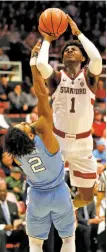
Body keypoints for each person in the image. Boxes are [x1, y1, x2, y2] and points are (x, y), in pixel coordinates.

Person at [3, 41, 75, 252]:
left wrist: (27, 129)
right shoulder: (47, 139)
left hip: (36, 197)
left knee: (35, 243)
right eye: (25, 124)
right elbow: (42, 94)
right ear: (31, 134)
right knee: (68, 240)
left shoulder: (16, 156)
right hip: (59, 193)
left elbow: (16, 141)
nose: (28, 122)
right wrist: (34, 63)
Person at [36, 15, 102, 208]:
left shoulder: (89, 78)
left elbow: (97, 58)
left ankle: (70, 207)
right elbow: (41, 65)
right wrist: (47, 40)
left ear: (83, 58)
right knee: (45, 187)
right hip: (60, 141)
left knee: (88, 196)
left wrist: (78, 33)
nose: (70, 50)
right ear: (63, 59)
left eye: (75, 49)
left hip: (83, 144)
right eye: (66, 50)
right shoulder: (57, 78)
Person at [0, 178, 29, 252]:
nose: (3, 193)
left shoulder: (12, 205)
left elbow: (17, 219)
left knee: (26, 234)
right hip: (2, 233)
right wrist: (4, 227)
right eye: (0, 191)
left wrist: (20, 224)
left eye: (4, 191)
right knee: (1, 233)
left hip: (13, 231)